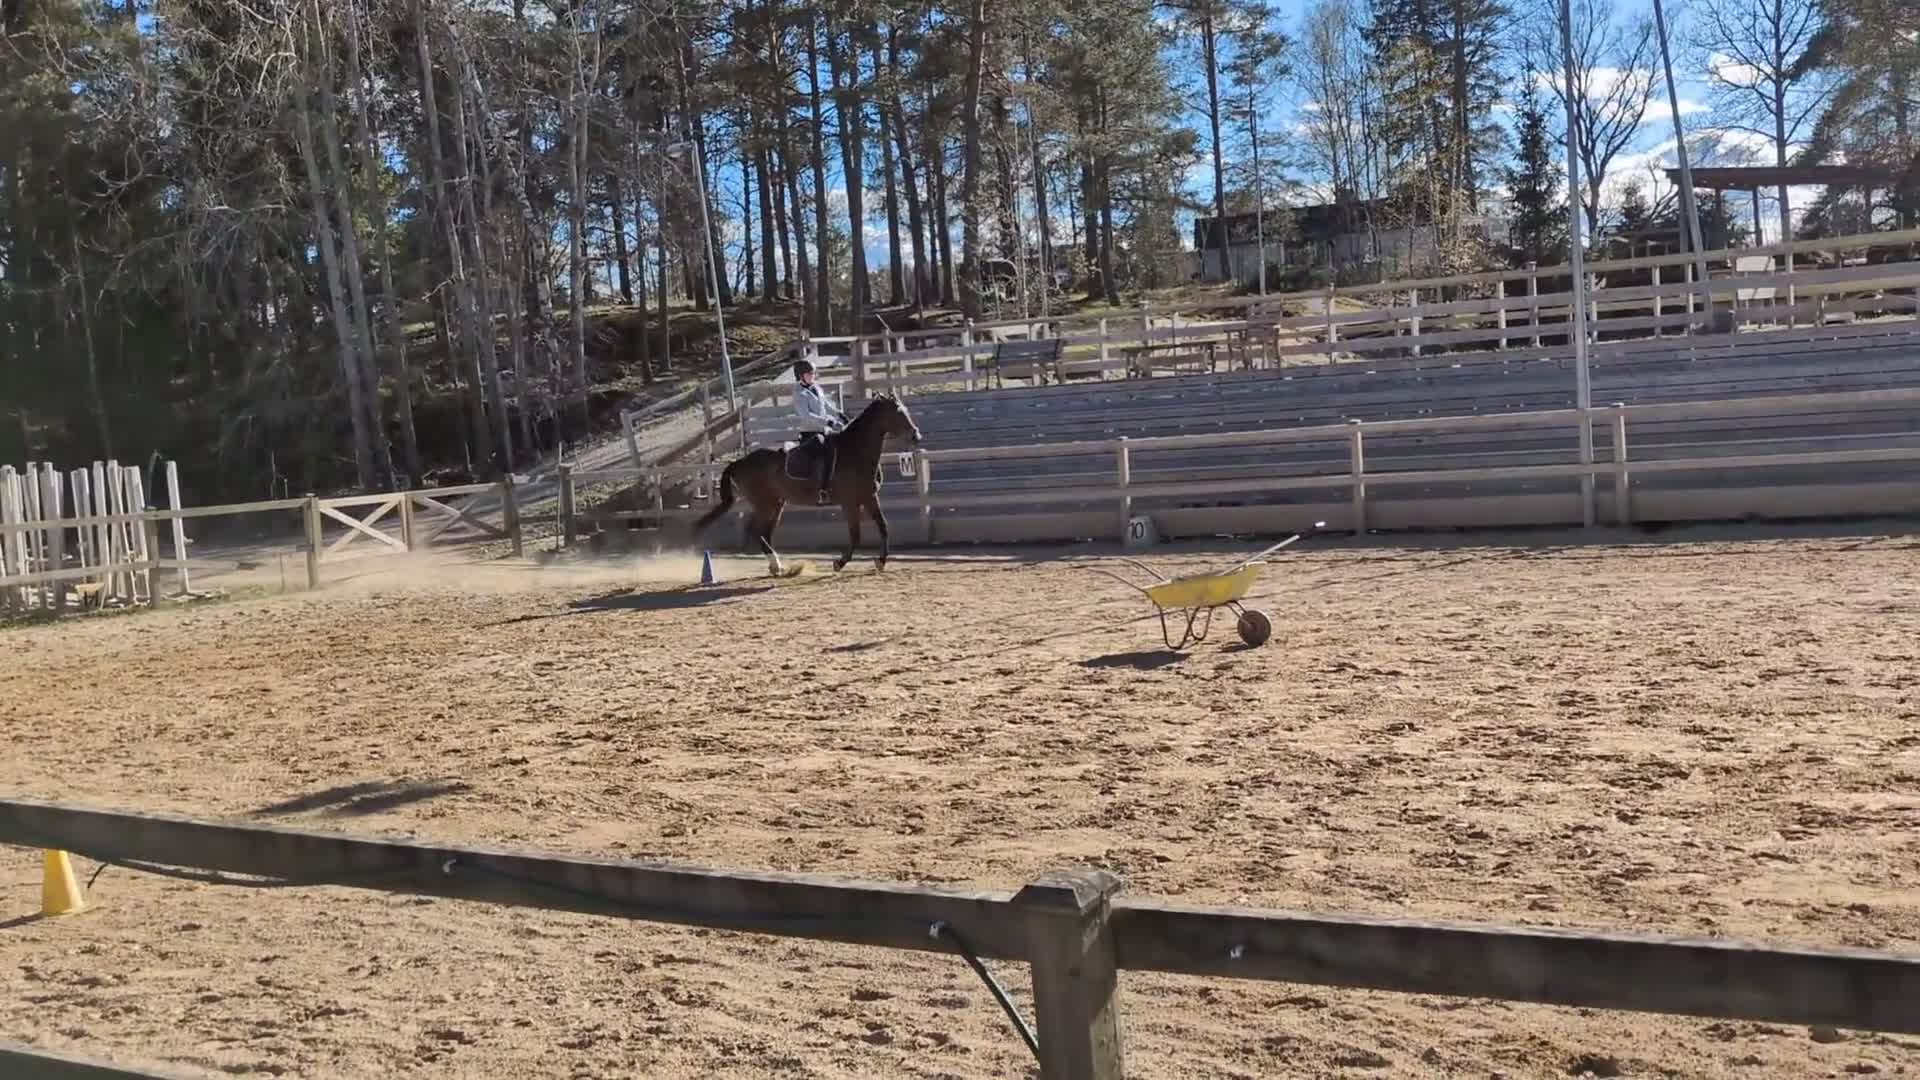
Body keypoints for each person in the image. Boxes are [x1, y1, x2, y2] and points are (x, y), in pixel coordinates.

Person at [790, 358, 844, 505]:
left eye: (813, 373)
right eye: (809, 374)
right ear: (800, 376)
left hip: (823, 430)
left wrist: (839, 414)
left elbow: (827, 405)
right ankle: (823, 490)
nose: (813, 376)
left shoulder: (817, 388)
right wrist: (828, 421)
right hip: (809, 434)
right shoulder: (799, 393)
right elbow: (806, 416)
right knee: (829, 450)